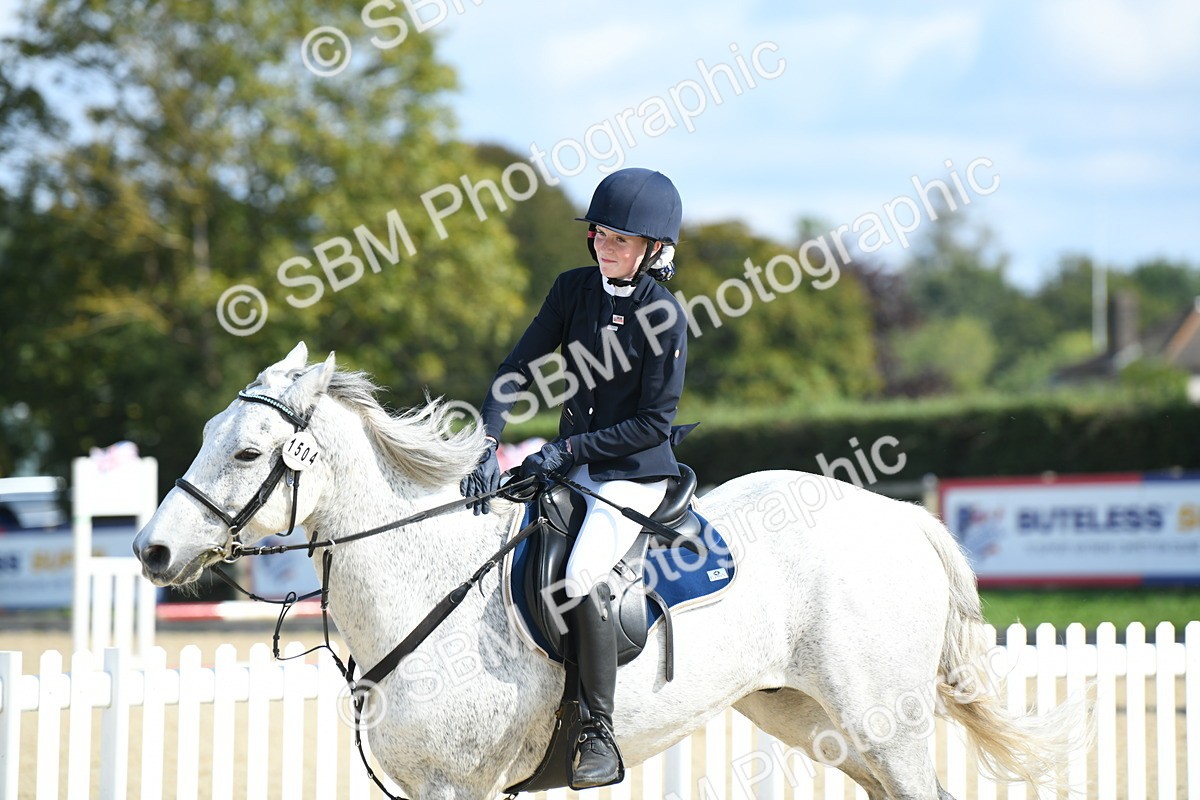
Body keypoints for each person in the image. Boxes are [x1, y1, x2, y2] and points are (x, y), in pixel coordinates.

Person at [460, 167, 691, 788]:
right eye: (599, 235)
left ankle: (597, 729)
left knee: (582, 573)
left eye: (620, 240)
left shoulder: (665, 316)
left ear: (653, 250)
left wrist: (563, 454)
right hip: (574, 463)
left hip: (631, 474)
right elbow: (517, 369)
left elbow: (651, 425)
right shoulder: (572, 291)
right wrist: (486, 439)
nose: (604, 248)